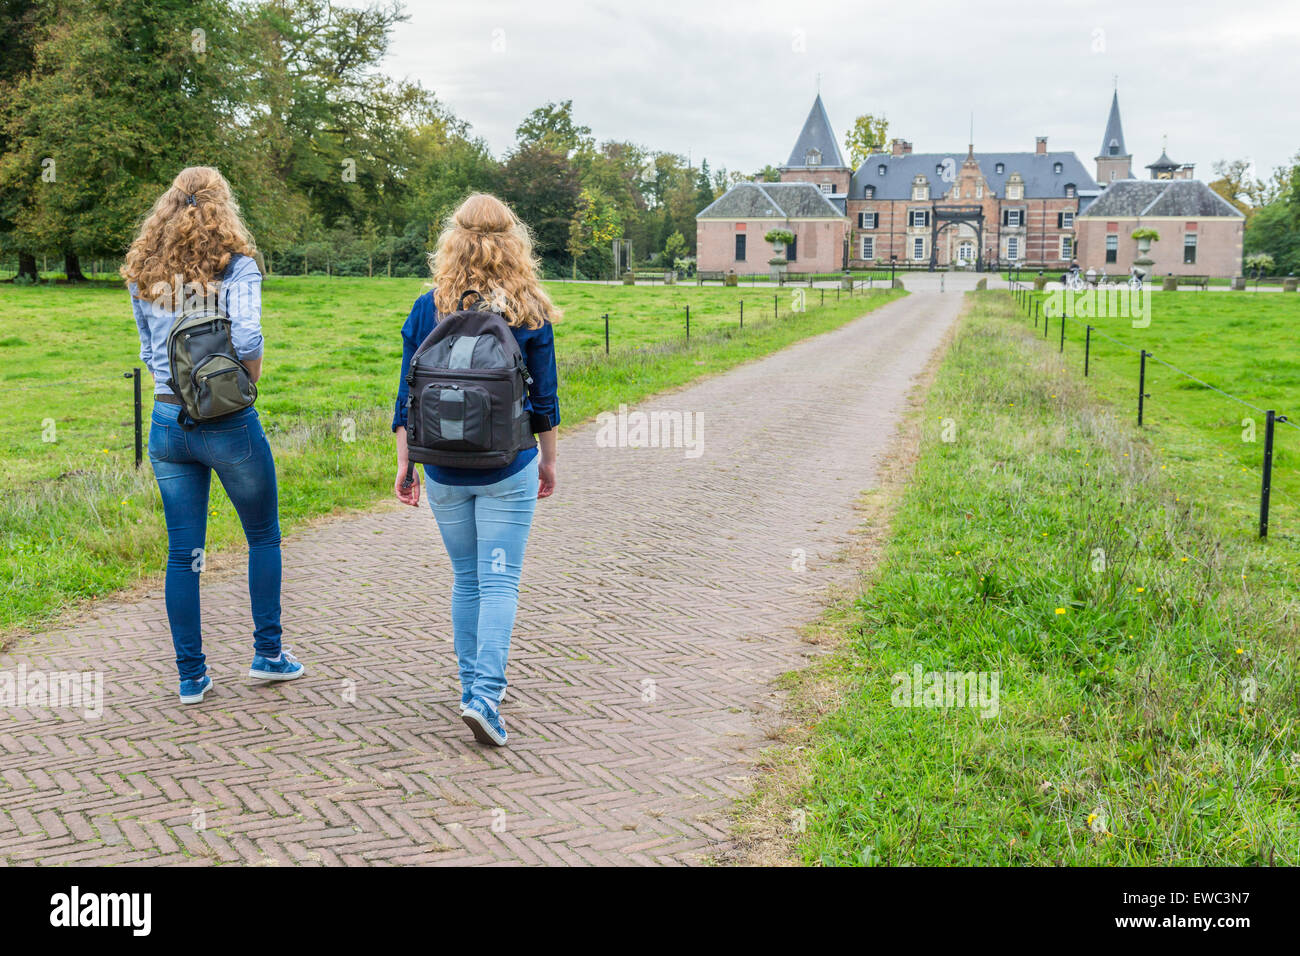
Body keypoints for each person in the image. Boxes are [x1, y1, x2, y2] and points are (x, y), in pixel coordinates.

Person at [122, 166, 303, 705]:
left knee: (184, 553)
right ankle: (268, 655)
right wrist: (245, 382)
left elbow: (145, 350)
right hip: (227, 421)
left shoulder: (144, 271)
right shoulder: (238, 267)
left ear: (169, 207)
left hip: (166, 421)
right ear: (224, 208)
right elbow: (247, 335)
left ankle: (191, 675)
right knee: (263, 535)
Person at [392, 193, 560, 748]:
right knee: (500, 579)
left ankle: (473, 688)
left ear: (452, 241)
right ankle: (485, 696)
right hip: (507, 463)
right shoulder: (529, 307)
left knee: (467, 579)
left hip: (442, 466)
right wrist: (549, 460)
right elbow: (545, 402)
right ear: (516, 242)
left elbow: (406, 397)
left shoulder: (428, 306)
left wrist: (407, 465)